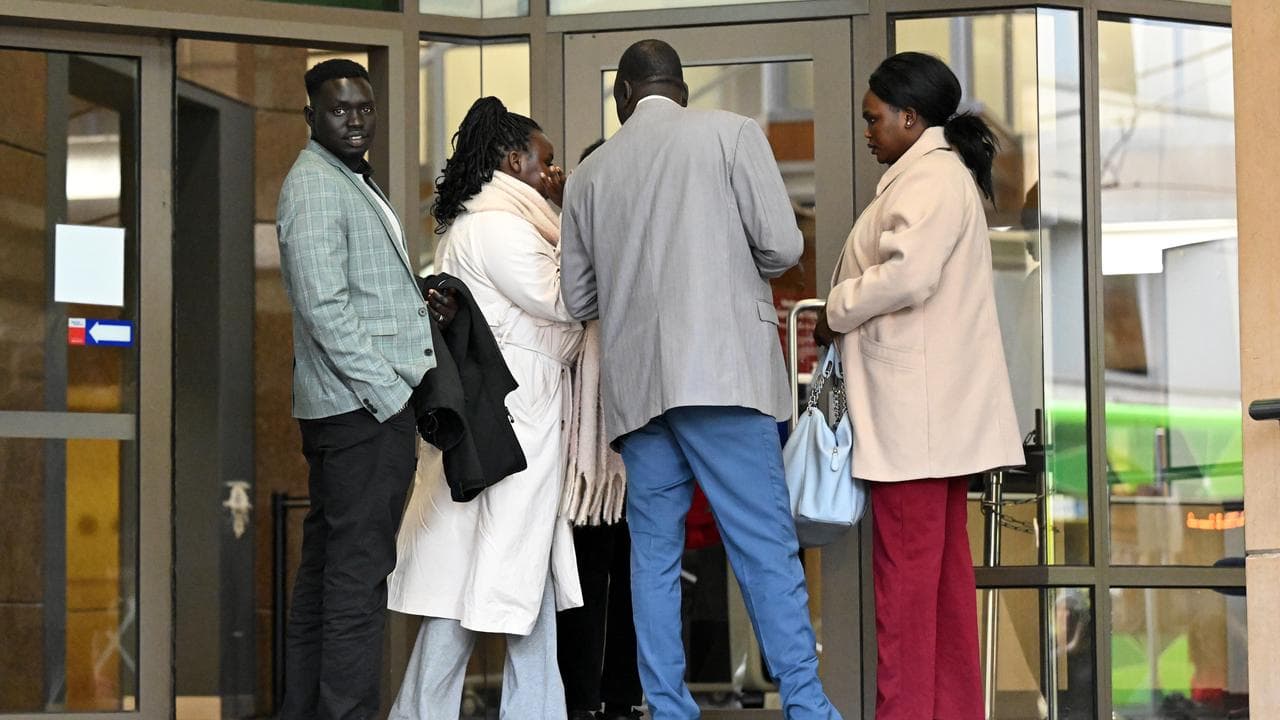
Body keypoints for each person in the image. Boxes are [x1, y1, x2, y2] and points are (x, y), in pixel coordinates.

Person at [560, 39, 841, 720]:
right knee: (765, 549)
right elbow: (783, 246)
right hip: (723, 378)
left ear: (624, 95)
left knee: (652, 557)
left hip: (640, 391)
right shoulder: (732, 133)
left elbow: (578, 298)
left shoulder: (591, 175)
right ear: (679, 88)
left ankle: (668, 707)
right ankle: (807, 707)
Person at [814, 51, 1025, 719]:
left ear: (911, 118)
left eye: (875, 119)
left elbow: (907, 277)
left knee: (905, 593)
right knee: (939, 591)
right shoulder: (934, 176)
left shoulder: (928, 181)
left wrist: (834, 311)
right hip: (930, 423)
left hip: (916, 425)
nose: (868, 130)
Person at [386, 96, 584, 720]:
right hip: (515, 422)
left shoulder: (492, 222)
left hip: (508, 418)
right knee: (510, 582)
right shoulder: (499, 227)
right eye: (546, 161)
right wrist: (586, 223)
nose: (553, 173)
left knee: (495, 584)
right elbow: (566, 300)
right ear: (511, 158)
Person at [275, 58, 454, 720]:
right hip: (359, 412)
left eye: (364, 109)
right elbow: (324, 309)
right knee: (355, 580)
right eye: (339, 110)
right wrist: (390, 395)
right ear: (310, 117)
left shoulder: (349, 179)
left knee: (328, 577)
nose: (354, 120)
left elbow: (359, 290)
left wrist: (419, 300)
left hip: (350, 410)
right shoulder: (316, 185)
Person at [558, 139, 645, 720]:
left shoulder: (642, 243)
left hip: (636, 432)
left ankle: (623, 697)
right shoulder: (565, 243)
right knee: (586, 573)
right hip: (584, 444)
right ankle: (582, 700)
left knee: (637, 574)